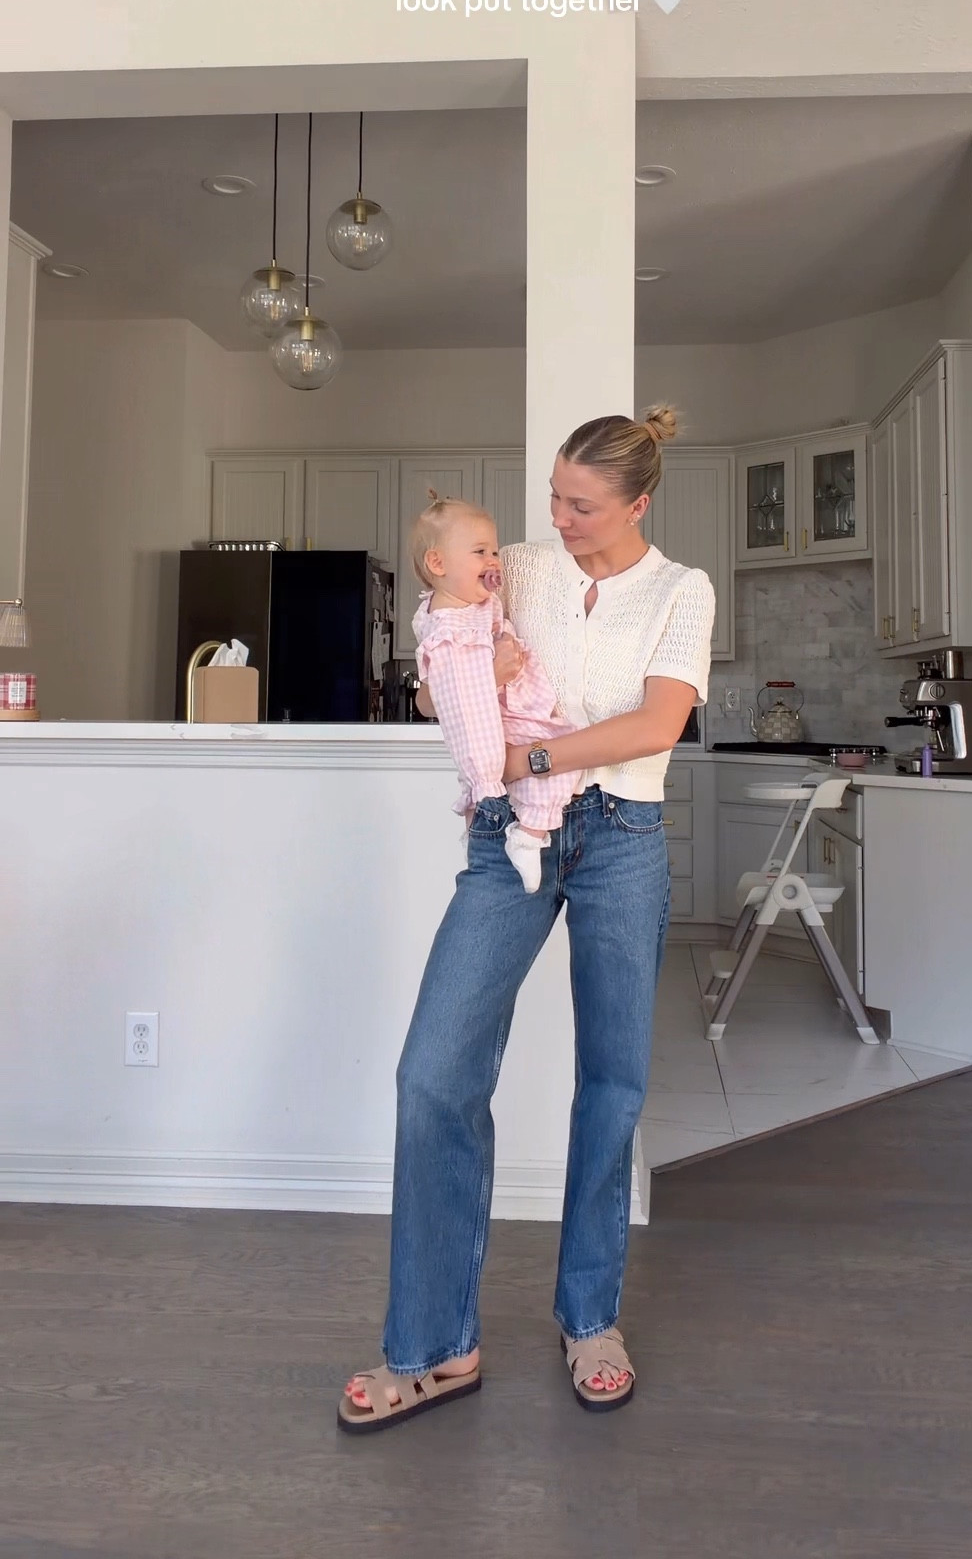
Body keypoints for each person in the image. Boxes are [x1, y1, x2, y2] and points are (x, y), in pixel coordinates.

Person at [338, 406, 715, 1433]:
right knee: (434, 1073)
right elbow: (443, 660)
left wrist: (529, 754)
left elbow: (656, 723)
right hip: (510, 838)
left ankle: (591, 1319)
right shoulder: (522, 566)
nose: (556, 518)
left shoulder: (682, 593)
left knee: (613, 1082)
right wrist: (452, 682)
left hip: (622, 842)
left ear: (639, 503)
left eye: (581, 505)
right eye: (553, 494)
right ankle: (432, 1348)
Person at [409, 490, 585, 891]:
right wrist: (493, 674)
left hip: (516, 713)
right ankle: (530, 835)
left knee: (565, 758)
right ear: (437, 562)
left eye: (493, 550)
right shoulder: (448, 628)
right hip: (502, 724)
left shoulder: (476, 601)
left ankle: (523, 829)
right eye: (480, 551)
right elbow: (449, 703)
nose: (493, 560)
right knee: (563, 759)